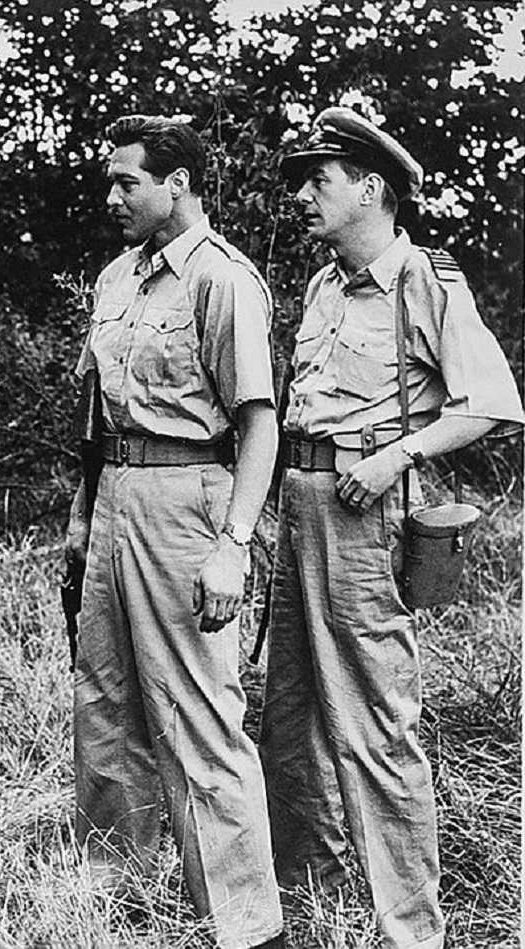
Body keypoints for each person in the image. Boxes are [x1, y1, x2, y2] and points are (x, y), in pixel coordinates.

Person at [260, 107, 524, 949]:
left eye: (320, 180)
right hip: (299, 504)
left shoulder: (424, 280)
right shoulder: (323, 282)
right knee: (287, 713)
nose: (304, 195)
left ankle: (411, 930)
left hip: (366, 511)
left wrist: (396, 457)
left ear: (371, 188)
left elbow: (490, 403)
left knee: (376, 722)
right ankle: (311, 901)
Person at [66, 115, 285, 949]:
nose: (112, 194)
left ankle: (242, 922)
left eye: (128, 181)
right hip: (116, 491)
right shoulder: (115, 278)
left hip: (188, 492)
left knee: (197, 708)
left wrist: (232, 542)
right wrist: (81, 518)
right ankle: (115, 894)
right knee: (105, 698)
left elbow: (258, 423)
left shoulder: (221, 280)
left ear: (179, 183)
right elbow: (94, 416)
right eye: (111, 179)